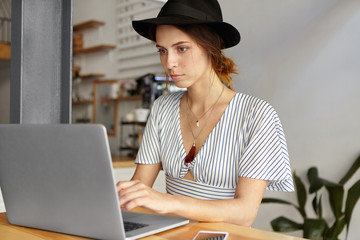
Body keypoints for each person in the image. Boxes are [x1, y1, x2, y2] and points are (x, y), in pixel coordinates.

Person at [117, 0, 294, 227]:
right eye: (162, 50)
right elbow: (139, 190)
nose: (169, 63)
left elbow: (245, 212)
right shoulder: (162, 108)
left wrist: (169, 202)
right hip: (173, 235)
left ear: (211, 46)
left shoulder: (256, 116)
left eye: (182, 48)